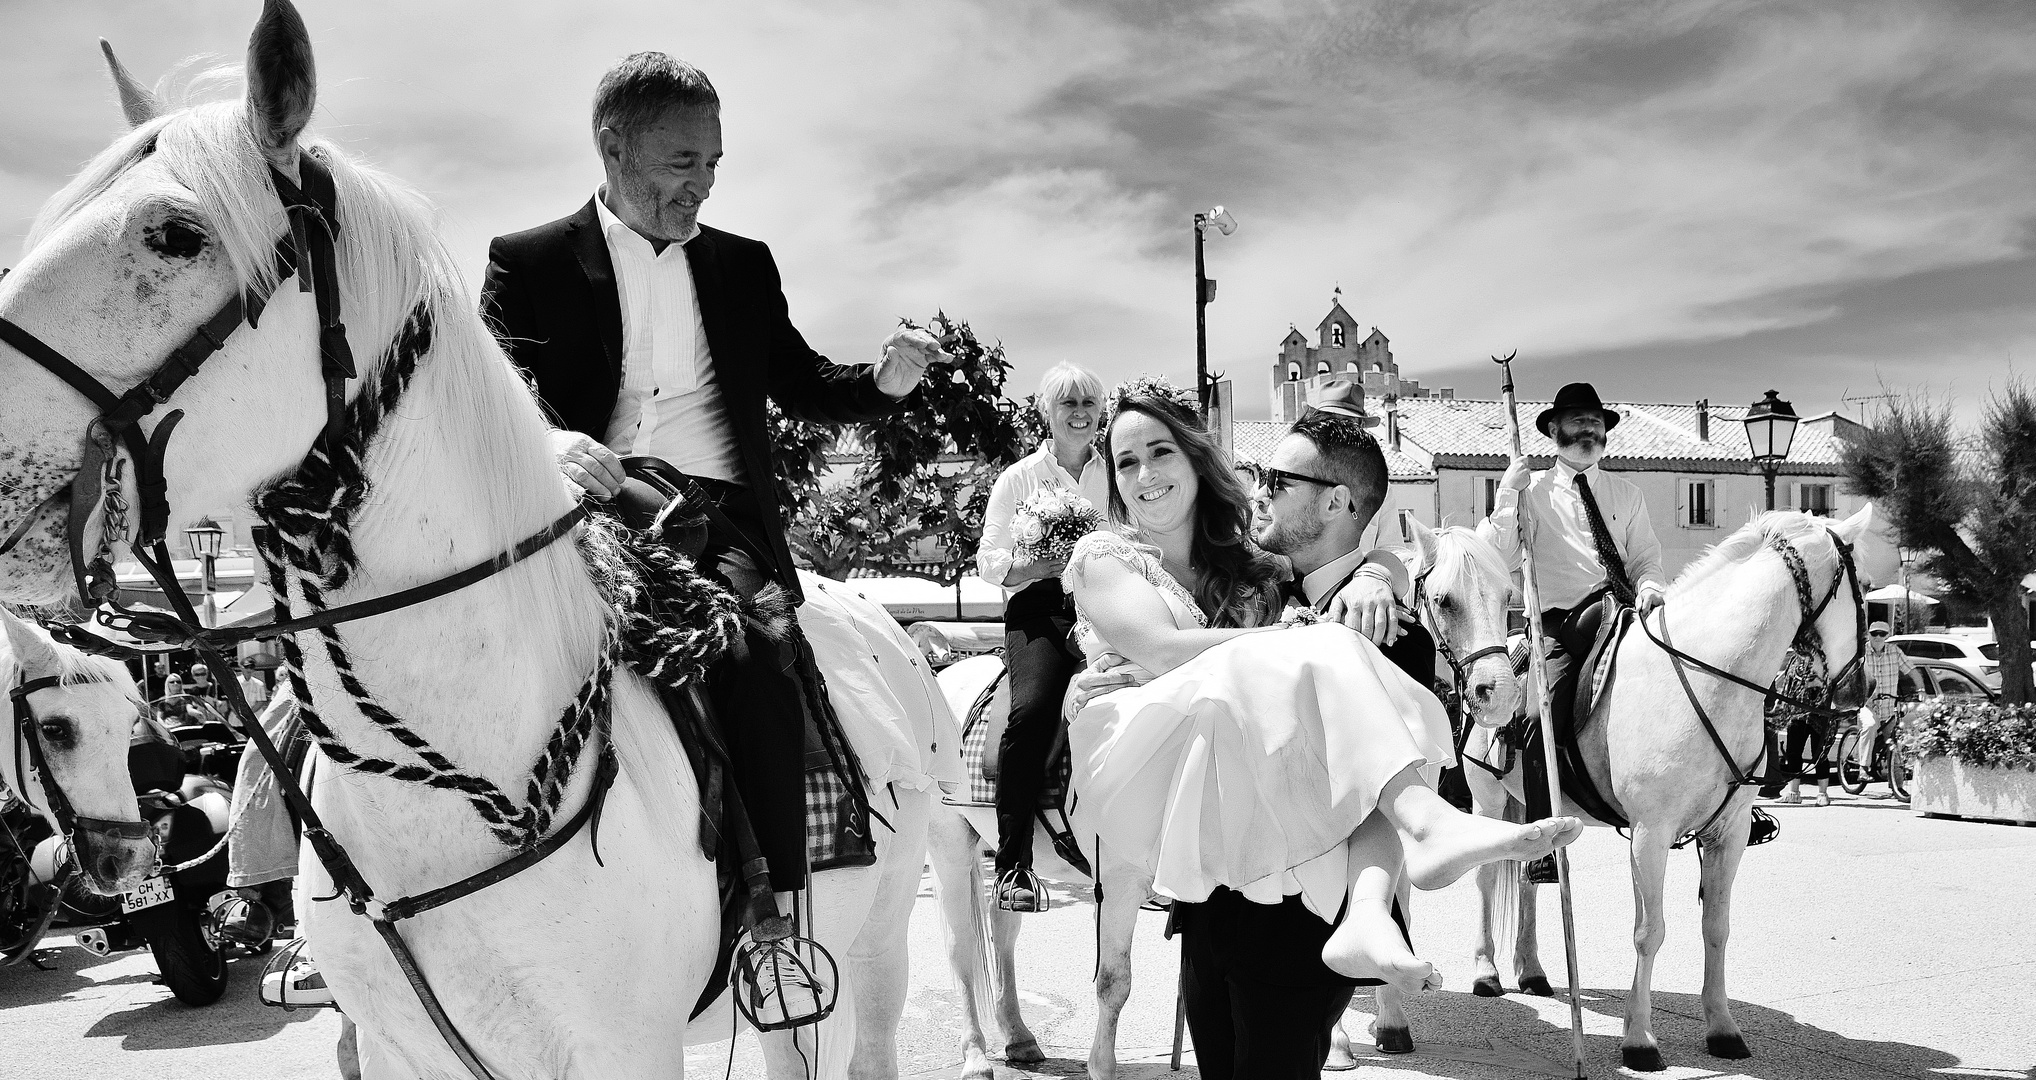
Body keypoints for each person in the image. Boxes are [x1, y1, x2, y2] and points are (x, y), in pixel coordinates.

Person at [480, 52, 942, 1023]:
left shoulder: (742, 264)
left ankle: (774, 916)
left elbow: (803, 380)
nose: (704, 183)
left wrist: (884, 385)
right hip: (580, 510)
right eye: (683, 161)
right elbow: (491, 394)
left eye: (715, 164)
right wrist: (553, 439)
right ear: (613, 147)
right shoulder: (520, 259)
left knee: (761, 649)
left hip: (715, 519)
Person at [1064, 380, 1580, 1080]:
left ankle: (1417, 850)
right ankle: (1429, 825)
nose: (1145, 474)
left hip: (1294, 912)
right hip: (1209, 891)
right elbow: (1167, 649)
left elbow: (1391, 569)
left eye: (1160, 452)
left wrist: (1381, 569)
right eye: (1126, 462)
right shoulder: (1187, 572)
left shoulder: (1272, 583)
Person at [1481, 381, 1665, 883]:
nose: (1589, 430)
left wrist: (1650, 585)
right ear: (1554, 432)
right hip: (1562, 627)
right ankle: (1541, 842)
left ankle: (1720, 799)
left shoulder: (1627, 494)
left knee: (1690, 684)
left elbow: (1645, 557)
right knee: (1541, 723)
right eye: (1579, 422)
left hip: (1625, 617)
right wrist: (1506, 493)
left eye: (1596, 423)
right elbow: (1496, 553)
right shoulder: (1531, 493)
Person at [975, 362, 1109, 910]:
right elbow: (990, 562)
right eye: (1068, 404)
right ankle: (1014, 866)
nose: (1080, 414)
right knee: (1030, 714)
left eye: (1088, 404)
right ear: (1046, 413)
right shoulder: (1019, 478)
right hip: (1041, 611)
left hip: (1112, 603)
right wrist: (1045, 562)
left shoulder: (1119, 472)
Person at [1845, 621, 1916, 788]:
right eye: (1874, 633)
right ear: (1868, 634)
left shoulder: (1895, 652)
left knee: (1896, 740)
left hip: (1889, 706)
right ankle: (1863, 769)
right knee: (1869, 726)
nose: (1878, 637)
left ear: (1887, 636)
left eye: (1882, 634)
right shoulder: (1861, 652)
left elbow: (1912, 670)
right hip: (1867, 704)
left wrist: (1921, 689)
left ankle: (1897, 786)